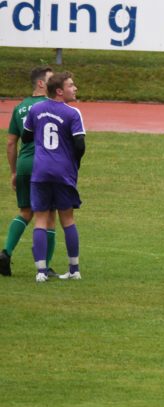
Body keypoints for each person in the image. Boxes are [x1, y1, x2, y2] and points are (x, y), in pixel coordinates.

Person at [22, 71, 86, 282]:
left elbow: (26, 136)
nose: (75, 88)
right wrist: (72, 162)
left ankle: (41, 271)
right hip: (63, 171)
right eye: (71, 85)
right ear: (60, 91)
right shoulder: (72, 113)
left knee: (40, 218)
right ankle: (74, 269)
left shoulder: (36, 109)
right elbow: (80, 145)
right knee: (67, 218)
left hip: (40, 171)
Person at [0, 66, 58, 277]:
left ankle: (6, 252)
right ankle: (45, 266)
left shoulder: (20, 108)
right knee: (50, 215)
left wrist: (14, 171)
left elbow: (10, 144)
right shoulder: (52, 106)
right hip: (45, 165)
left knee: (25, 212)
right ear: (41, 84)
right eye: (52, 80)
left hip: (24, 164)